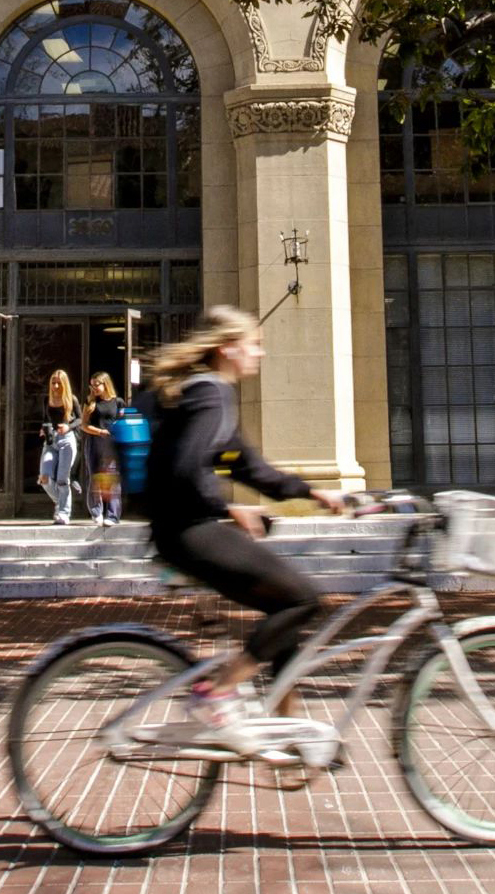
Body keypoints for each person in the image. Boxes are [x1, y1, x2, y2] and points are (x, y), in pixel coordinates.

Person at [140, 305, 345, 744]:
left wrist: (314, 493)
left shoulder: (212, 395)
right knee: (303, 600)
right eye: (255, 344)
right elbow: (184, 465)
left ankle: (287, 733)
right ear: (227, 349)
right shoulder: (210, 394)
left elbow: (250, 468)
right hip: (188, 530)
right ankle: (215, 692)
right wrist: (227, 509)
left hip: (186, 527)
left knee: (283, 609)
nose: (261, 353)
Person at [80, 370, 125, 526]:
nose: (94, 388)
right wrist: (99, 431)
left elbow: (122, 422)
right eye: (91, 385)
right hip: (94, 440)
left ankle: (113, 515)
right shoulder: (90, 402)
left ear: (105, 384)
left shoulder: (118, 402)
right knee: (95, 477)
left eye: (97, 385)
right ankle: (96, 512)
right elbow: (83, 425)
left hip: (111, 443)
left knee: (111, 478)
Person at [38, 367, 81, 525]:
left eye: (58, 383)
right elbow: (45, 418)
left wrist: (68, 427)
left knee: (63, 479)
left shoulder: (71, 399)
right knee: (44, 477)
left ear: (64, 384)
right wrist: (43, 428)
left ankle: (63, 513)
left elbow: (80, 419)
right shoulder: (46, 399)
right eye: (53, 383)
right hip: (50, 441)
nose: (55, 386)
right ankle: (61, 501)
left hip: (66, 440)